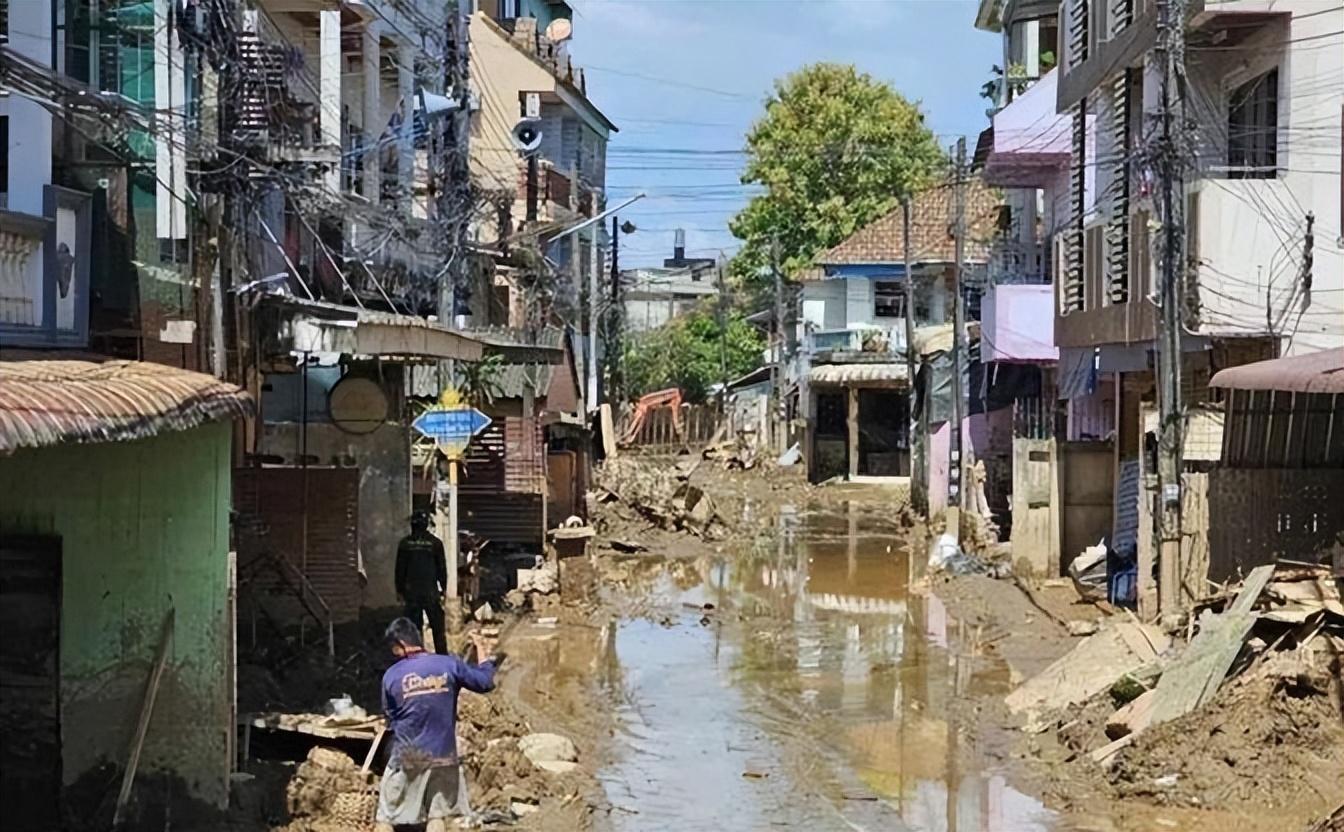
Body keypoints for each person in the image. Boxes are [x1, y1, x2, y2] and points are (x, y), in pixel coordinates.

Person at [375, 617, 502, 832]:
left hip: (409, 757)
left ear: (401, 645)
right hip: (445, 755)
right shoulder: (448, 664)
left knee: (386, 817)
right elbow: (485, 682)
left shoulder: (392, 676)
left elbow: (391, 717)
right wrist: (482, 650)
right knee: (437, 817)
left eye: (394, 648)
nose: (394, 653)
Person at [396, 511, 448, 654]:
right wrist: (444, 588)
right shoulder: (435, 543)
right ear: (426, 525)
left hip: (411, 592)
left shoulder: (405, 544)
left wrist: (399, 590)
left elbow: (400, 570)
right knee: (437, 627)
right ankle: (442, 656)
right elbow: (441, 569)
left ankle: (415, 656)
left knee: (414, 627)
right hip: (430, 591)